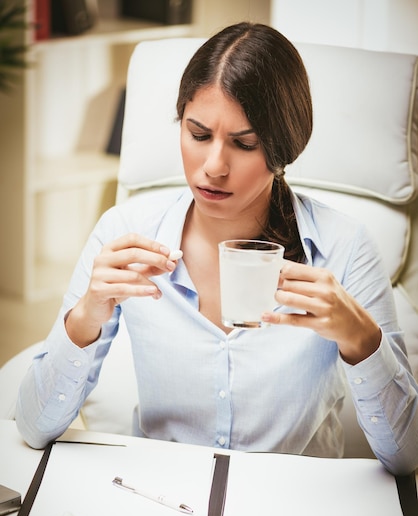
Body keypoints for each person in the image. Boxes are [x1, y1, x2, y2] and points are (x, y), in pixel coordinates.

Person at [16, 22, 418, 475]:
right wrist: (86, 317)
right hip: (156, 501)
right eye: (198, 134)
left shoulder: (342, 246)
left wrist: (361, 339)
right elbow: (33, 427)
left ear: (282, 148)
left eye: (244, 144)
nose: (213, 167)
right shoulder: (125, 231)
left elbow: (406, 457)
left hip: (292, 513)